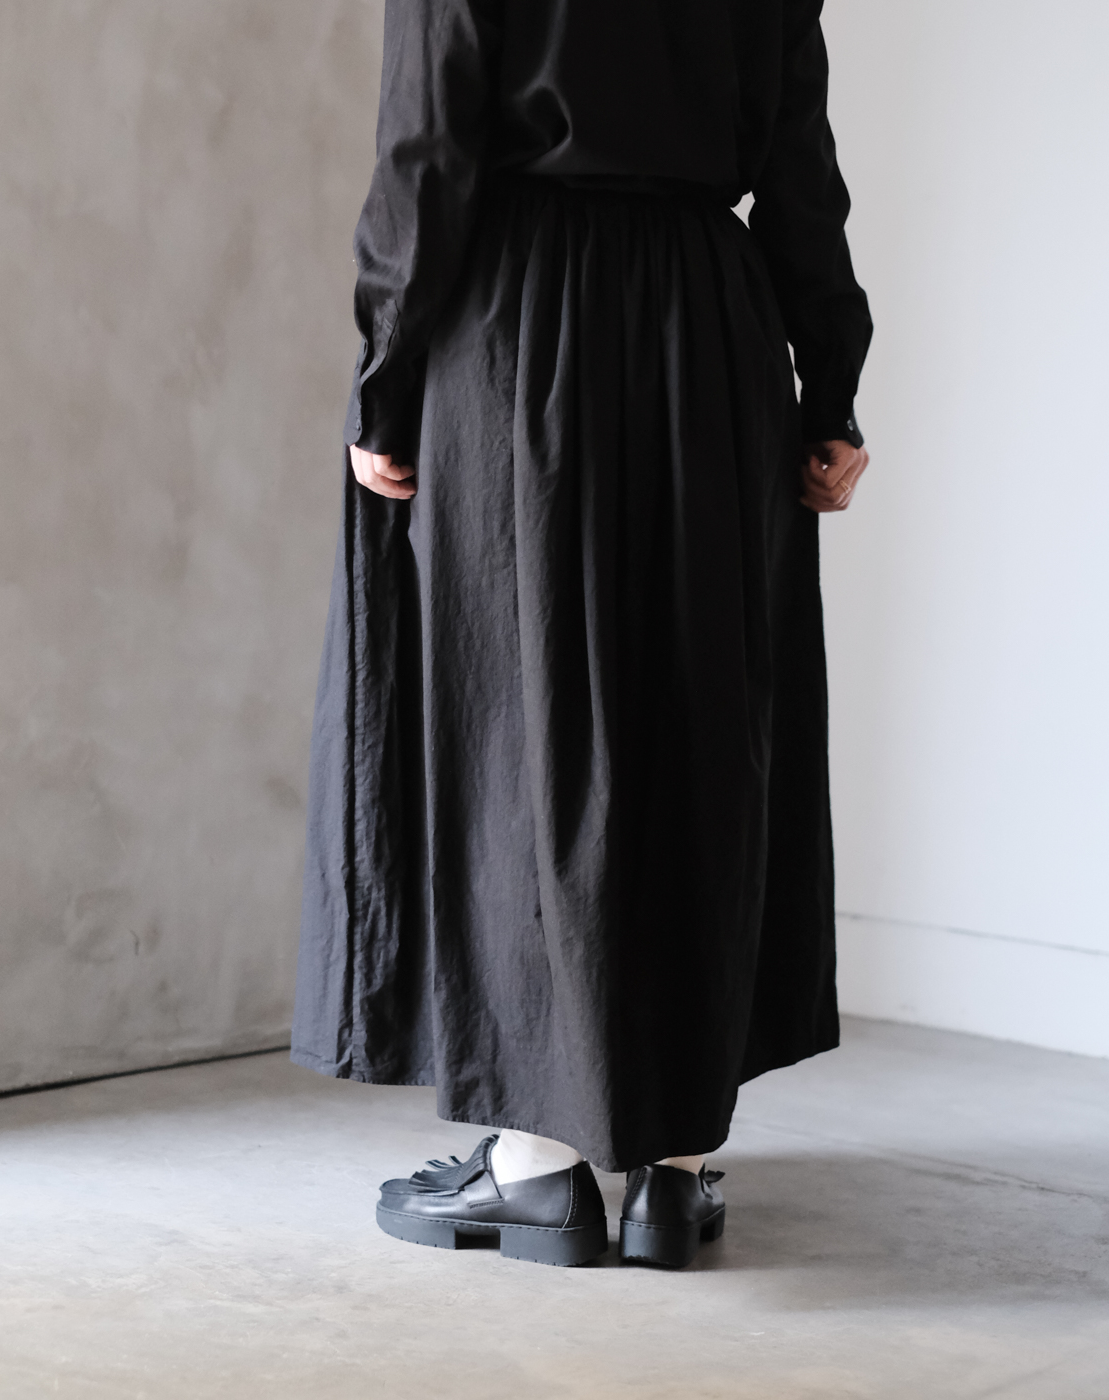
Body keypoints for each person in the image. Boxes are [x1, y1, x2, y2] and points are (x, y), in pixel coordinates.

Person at [291, 0, 872, 1269]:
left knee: (521, 719)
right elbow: (798, 158)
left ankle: (539, 1166)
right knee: (699, 719)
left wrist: (384, 378)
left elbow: (426, 149)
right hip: (708, 329)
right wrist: (828, 385)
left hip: (521, 323)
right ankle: (673, 1167)